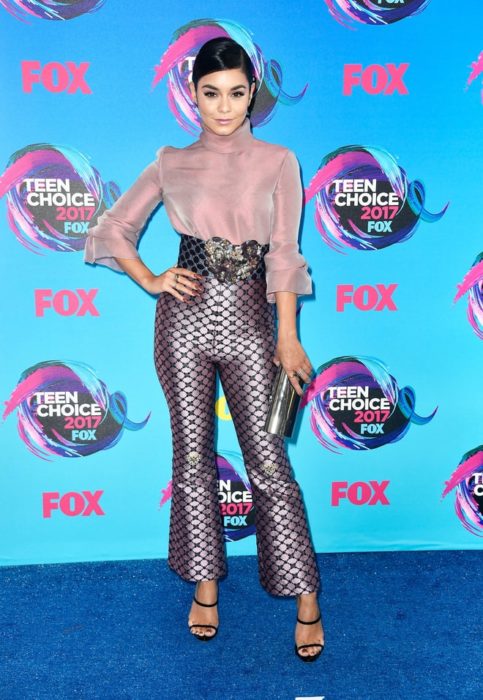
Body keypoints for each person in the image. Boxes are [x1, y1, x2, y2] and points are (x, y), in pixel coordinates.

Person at [84, 37, 324, 661]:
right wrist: (150, 277)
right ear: (193, 96)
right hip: (182, 322)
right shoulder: (170, 161)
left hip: (251, 320)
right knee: (192, 460)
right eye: (211, 93)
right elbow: (112, 228)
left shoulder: (279, 160)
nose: (224, 107)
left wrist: (288, 335)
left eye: (237, 93)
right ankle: (206, 587)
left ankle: (304, 594)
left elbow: (285, 255)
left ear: (254, 94)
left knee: (268, 463)